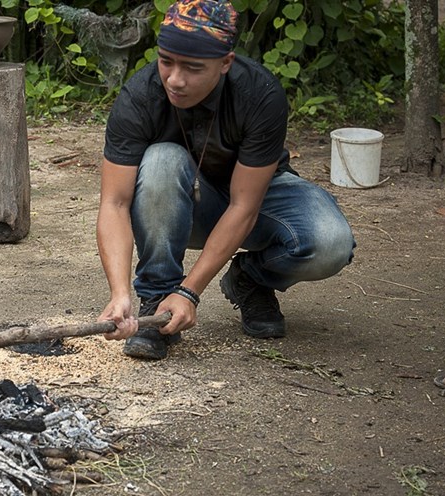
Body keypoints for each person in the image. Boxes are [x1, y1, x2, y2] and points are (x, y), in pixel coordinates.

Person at [97, 0, 356, 360]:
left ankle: (251, 279)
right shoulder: (140, 96)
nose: (175, 79)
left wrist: (191, 291)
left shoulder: (260, 94)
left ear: (225, 64)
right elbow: (115, 203)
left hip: (255, 200)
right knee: (160, 160)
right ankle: (156, 301)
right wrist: (119, 292)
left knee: (330, 243)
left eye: (193, 68)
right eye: (166, 61)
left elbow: (244, 206)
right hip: (180, 205)